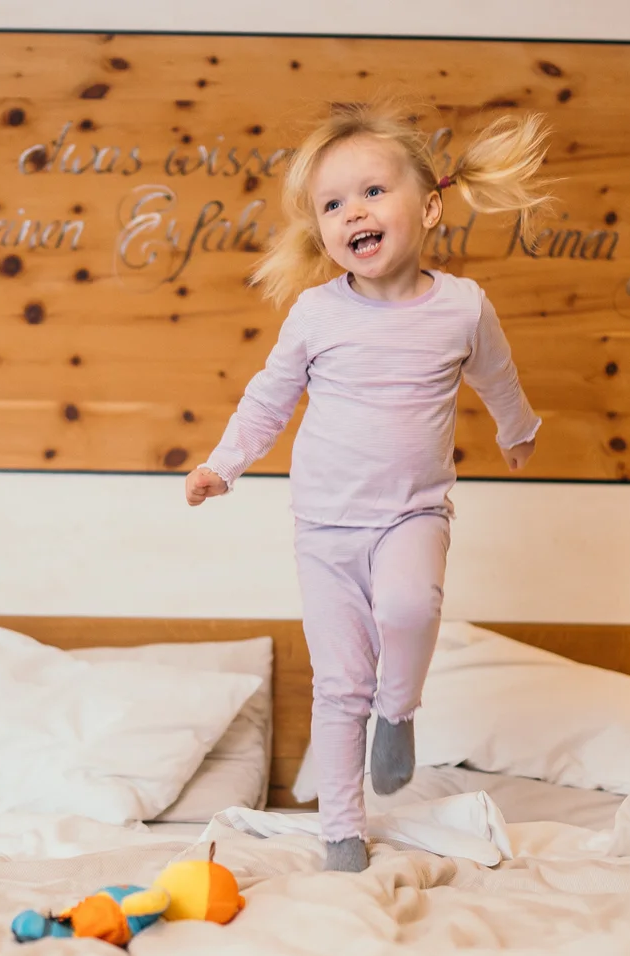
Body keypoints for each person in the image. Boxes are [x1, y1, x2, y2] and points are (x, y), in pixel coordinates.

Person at [184, 99, 553, 872]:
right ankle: (342, 828)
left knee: (410, 604)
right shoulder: (316, 314)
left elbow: (499, 376)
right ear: (322, 230)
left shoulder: (462, 307)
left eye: (372, 192)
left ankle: (401, 709)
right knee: (339, 678)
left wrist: (518, 429)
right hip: (323, 529)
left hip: (413, 511)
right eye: (332, 203)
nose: (354, 211)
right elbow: (269, 397)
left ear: (430, 205)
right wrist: (224, 462)